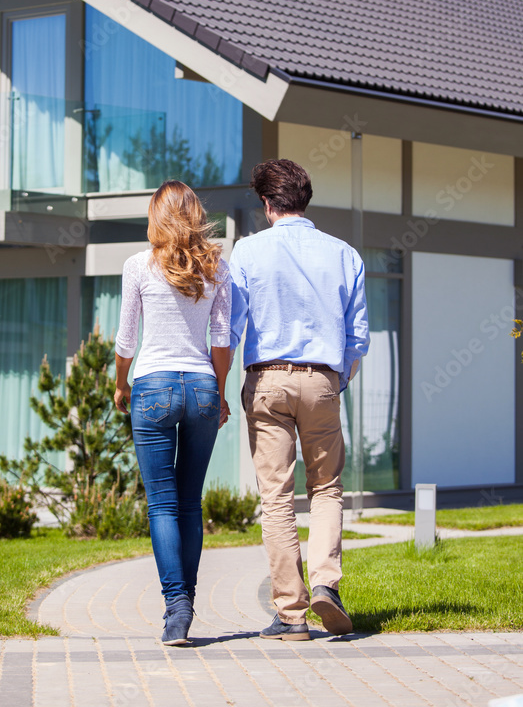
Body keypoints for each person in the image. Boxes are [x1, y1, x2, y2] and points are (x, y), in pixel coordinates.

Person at [229, 159, 369, 641]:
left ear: (268, 204)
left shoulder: (246, 252)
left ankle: (291, 614)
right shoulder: (345, 254)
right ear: (304, 200)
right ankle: (326, 583)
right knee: (326, 488)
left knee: (277, 496)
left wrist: (222, 380)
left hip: (266, 378)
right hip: (323, 379)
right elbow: (358, 338)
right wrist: (334, 383)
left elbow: (230, 328)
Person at [114, 180, 231, 646]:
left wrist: (121, 384)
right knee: (189, 502)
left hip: (154, 387)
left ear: (155, 217)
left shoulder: (138, 266)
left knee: (162, 504)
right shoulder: (216, 269)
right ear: (195, 214)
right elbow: (221, 341)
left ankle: (176, 608)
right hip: (201, 386)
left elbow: (126, 340)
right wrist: (218, 395)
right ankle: (187, 602)